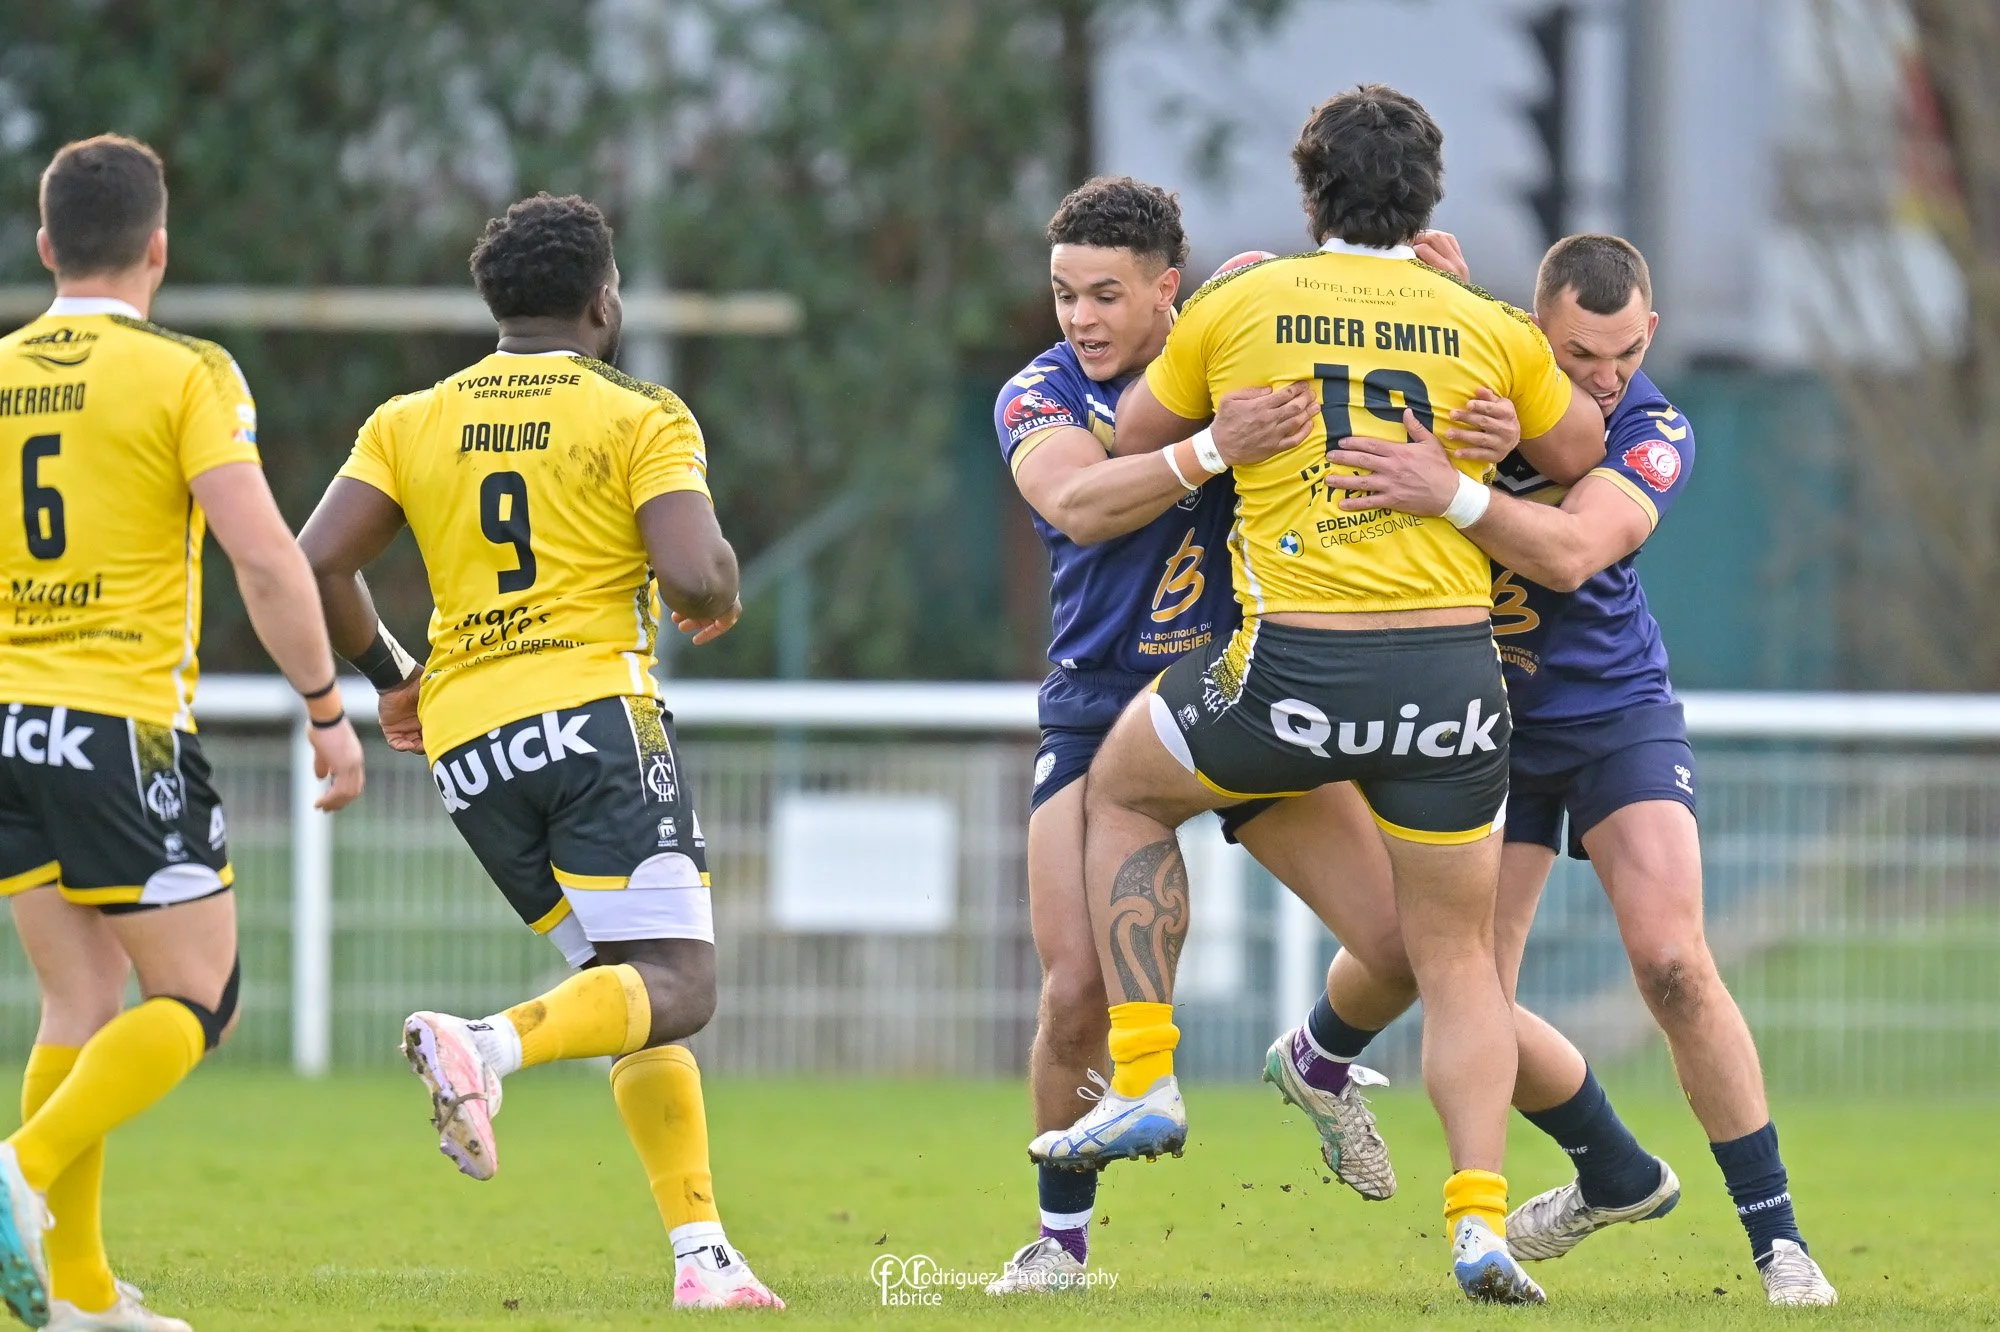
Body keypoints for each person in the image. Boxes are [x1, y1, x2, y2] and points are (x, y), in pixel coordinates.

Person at [1028, 85, 1607, 1304]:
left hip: (1294, 662)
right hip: (1452, 679)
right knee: (1455, 961)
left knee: (1123, 795)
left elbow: (1134, 433)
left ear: (1307, 192)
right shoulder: (1484, 320)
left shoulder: (1245, 304)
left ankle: (1147, 1073)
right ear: (1428, 196)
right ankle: (1476, 1224)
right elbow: (1577, 455)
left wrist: (1216, 413)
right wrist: (1495, 429)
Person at [1305, 229, 1838, 1307]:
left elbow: (1567, 550)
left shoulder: (1654, 429)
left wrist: (1447, 492)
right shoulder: (1464, 374)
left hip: (1609, 714)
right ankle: (1595, 1172)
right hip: (1474, 723)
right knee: (1464, 991)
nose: (1600, 383)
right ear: (1526, 331)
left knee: (1674, 965)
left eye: (1621, 358)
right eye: (1575, 359)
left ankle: (1778, 1243)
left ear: (1651, 336)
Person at [985, 180, 1478, 1294]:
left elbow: (1378, 363)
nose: (1078, 319)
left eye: (1104, 295)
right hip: (1101, 706)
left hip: (1242, 698)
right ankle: (1059, 1245)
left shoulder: (1244, 343)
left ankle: (1313, 1059)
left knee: (1403, 951)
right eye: (1062, 293)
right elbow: (1076, 504)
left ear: (1169, 291)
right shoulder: (1039, 391)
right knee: (1072, 991)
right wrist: (1210, 450)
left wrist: (1427, 296)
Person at [296, 193, 780, 1310]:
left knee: (627, 989)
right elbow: (696, 576)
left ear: (494, 304)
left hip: (468, 748)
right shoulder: (638, 412)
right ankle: (485, 1044)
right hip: (594, 724)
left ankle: (701, 1255)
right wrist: (720, 581)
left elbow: (319, 559)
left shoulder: (409, 418)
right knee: (680, 984)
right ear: (603, 300)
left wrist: (389, 676)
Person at [0, 134, 366, 1332]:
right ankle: (21, 1169)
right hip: (118, 728)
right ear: (158, 247)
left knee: (79, 1001)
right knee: (204, 998)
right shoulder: (186, 373)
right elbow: (265, 558)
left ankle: (83, 1296)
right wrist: (325, 706)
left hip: (8, 723)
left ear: (47, 245)